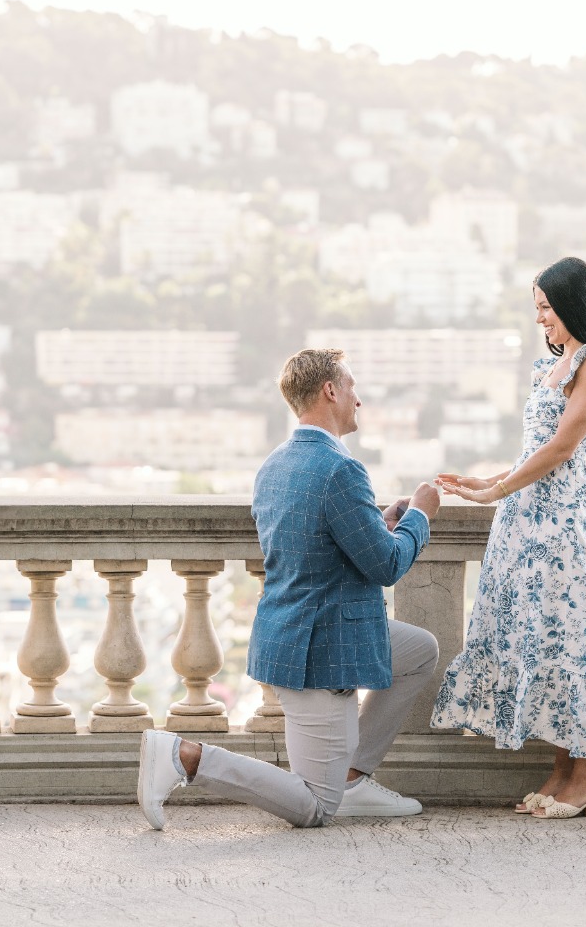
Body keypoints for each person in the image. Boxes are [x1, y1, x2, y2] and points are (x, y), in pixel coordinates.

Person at [137, 347, 442, 830]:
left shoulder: (275, 465)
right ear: (331, 391)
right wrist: (422, 514)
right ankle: (186, 756)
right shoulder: (342, 470)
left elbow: (313, 546)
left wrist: (378, 523)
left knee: (419, 650)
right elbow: (386, 564)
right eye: (353, 388)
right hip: (321, 650)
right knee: (315, 807)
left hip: (289, 630)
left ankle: (351, 778)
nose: (358, 400)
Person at [431, 256, 586, 819]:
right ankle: (561, 770)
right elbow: (534, 452)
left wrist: (496, 492)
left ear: (574, 304)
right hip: (527, 525)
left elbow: (563, 448)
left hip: (565, 525)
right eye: (537, 309)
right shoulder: (552, 364)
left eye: (547, 308)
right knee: (539, 641)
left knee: (573, 641)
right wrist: (492, 480)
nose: (540, 319)